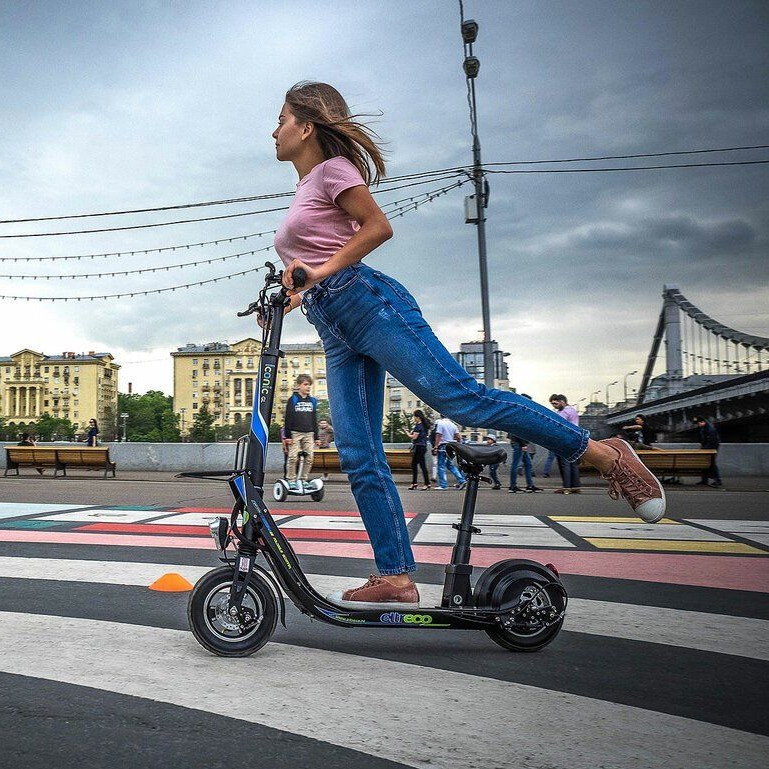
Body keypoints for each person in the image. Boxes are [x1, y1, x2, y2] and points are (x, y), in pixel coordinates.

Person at [270, 81, 665, 608]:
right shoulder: (304, 188)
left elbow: (377, 227)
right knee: (359, 453)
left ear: (306, 126)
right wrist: (300, 290)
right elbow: (320, 254)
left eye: (280, 119)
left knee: (461, 398)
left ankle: (603, 455)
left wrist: (318, 271)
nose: (273, 131)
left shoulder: (332, 172)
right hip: (333, 322)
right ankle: (395, 576)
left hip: (368, 303)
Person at [284, 374, 320, 488]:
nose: (308, 387)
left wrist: (317, 437)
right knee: (293, 457)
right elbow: (288, 418)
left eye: (309, 385)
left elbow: (314, 419)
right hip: (295, 433)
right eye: (305, 384)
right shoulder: (293, 400)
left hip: (309, 433)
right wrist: (288, 436)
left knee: (309, 457)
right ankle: (291, 480)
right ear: (299, 386)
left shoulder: (313, 401)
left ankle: (303, 479)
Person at [548, 395, 581, 494]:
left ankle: (566, 487)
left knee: (564, 464)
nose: (554, 406)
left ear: (562, 401)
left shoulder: (565, 411)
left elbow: (557, 424)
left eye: (555, 403)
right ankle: (575, 487)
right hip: (573, 439)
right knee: (573, 464)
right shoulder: (572, 410)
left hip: (564, 439)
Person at [509, 394, 542, 493]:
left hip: (519, 441)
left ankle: (530, 485)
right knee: (516, 464)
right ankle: (513, 486)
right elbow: (518, 429)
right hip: (518, 442)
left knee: (528, 464)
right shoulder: (519, 411)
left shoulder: (517, 410)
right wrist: (523, 444)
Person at [433, 415, 467, 491]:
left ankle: (443, 485)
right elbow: (458, 437)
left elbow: (438, 435)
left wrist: (435, 447)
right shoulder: (453, 424)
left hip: (443, 446)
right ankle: (462, 480)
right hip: (451, 447)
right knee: (450, 465)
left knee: (441, 466)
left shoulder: (441, 423)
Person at [693, 416, 722, 487]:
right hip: (707, 448)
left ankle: (717, 480)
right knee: (705, 463)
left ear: (703, 422)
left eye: (698, 423)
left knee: (712, 463)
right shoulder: (704, 428)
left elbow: (712, 441)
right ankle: (704, 480)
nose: (698, 425)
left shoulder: (710, 429)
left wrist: (704, 449)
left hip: (711, 449)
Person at [408, 409, 431, 490]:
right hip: (423, 447)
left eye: (414, 417)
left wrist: (407, 433)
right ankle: (416, 483)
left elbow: (414, 437)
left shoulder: (418, 426)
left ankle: (424, 483)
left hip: (418, 447)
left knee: (419, 465)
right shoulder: (424, 426)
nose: (414, 418)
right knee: (416, 465)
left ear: (417, 417)